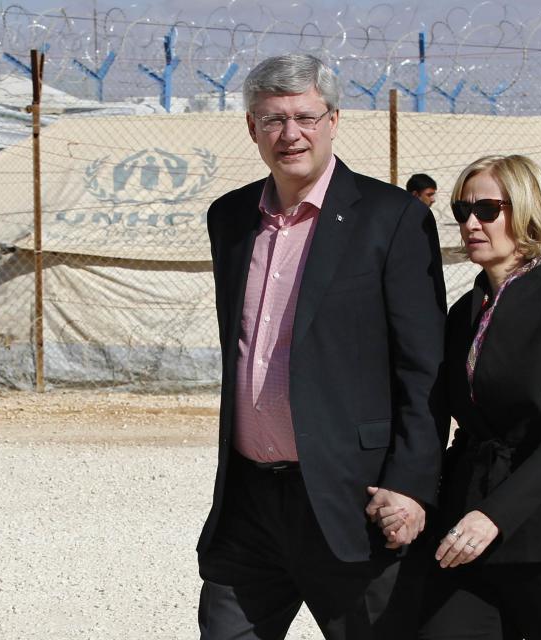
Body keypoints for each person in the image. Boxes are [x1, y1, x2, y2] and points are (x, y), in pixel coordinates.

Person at [196, 53, 448, 639]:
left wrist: (411, 486)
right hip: (249, 503)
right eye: (273, 119)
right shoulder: (229, 219)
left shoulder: (391, 219)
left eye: (306, 117)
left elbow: (423, 368)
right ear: (251, 127)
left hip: (350, 500)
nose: (291, 135)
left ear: (334, 120)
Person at [416, 155, 541, 639]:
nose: (470, 222)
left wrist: (495, 515)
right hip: (466, 533)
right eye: (461, 209)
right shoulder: (465, 310)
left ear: (527, 212)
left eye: (487, 209)